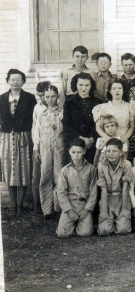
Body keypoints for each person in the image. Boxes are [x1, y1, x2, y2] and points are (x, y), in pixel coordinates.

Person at [0, 69, 37, 216]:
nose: (15, 82)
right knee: (9, 169)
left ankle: (20, 205)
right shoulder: (1, 98)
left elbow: (34, 120)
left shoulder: (30, 98)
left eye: (18, 79)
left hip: (24, 136)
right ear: (8, 81)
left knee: (23, 170)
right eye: (12, 79)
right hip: (7, 137)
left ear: (23, 81)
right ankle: (12, 204)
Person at [33, 85, 65, 216]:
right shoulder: (41, 113)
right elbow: (36, 132)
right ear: (43, 98)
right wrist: (36, 149)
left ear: (57, 97)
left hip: (59, 145)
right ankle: (47, 210)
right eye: (47, 97)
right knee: (45, 175)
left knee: (59, 175)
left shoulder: (61, 112)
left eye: (53, 96)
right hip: (44, 146)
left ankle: (59, 209)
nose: (50, 99)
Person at [56, 138, 97, 238]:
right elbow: (61, 193)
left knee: (85, 233)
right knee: (62, 234)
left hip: (84, 204)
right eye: (73, 152)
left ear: (84, 151)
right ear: (69, 151)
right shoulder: (65, 170)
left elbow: (94, 192)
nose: (76, 155)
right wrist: (69, 210)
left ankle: (81, 225)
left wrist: (87, 209)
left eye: (79, 152)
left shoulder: (91, 169)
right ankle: (69, 224)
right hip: (70, 204)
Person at [63, 72, 102, 164]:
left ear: (91, 86)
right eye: (80, 85)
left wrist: (91, 138)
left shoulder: (98, 102)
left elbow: (99, 123)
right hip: (74, 141)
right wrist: (81, 138)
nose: (83, 88)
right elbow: (66, 124)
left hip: (92, 143)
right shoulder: (69, 102)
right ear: (75, 85)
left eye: (87, 85)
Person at [97, 138, 133, 236]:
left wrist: (125, 209)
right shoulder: (101, 166)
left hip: (121, 198)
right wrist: (104, 211)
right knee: (104, 231)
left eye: (114, 151)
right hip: (107, 198)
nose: (111, 154)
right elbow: (103, 189)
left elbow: (125, 187)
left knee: (123, 230)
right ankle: (109, 221)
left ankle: (119, 221)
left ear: (121, 153)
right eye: (108, 151)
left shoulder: (127, 165)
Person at [92, 79, 135, 153]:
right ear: (110, 91)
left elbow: (132, 126)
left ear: (123, 90)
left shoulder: (129, 106)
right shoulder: (103, 107)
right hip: (108, 142)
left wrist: (126, 137)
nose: (117, 91)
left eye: (119, 88)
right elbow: (98, 127)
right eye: (114, 88)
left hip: (124, 141)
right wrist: (107, 138)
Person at [31, 81, 51, 215]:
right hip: (39, 145)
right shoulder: (37, 108)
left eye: (44, 95)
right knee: (37, 176)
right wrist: (36, 148)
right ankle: (37, 205)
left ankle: (51, 205)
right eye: (39, 96)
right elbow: (35, 128)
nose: (42, 98)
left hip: (53, 145)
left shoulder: (58, 107)